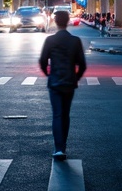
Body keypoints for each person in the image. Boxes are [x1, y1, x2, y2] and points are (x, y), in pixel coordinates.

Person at [38, 9, 86, 161]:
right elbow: (82, 65)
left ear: (55, 22)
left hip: (55, 82)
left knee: (57, 114)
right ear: (68, 22)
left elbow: (42, 61)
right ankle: (62, 145)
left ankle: (59, 148)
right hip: (69, 82)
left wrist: (49, 75)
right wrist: (75, 78)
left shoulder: (50, 40)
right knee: (65, 114)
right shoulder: (75, 41)